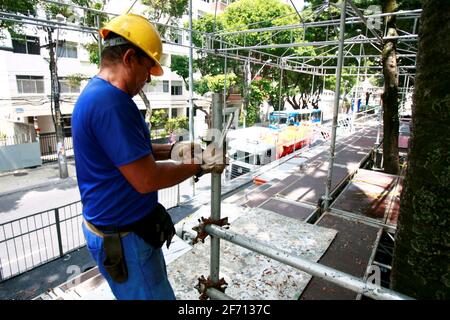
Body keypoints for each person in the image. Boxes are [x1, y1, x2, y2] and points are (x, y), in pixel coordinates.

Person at [72, 14, 225, 300]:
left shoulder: (95, 94)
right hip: (125, 240)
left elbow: (128, 151)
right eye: (147, 70)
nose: (146, 81)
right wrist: (199, 163)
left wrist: (175, 149)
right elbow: (146, 178)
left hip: (113, 231)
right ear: (130, 57)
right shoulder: (112, 103)